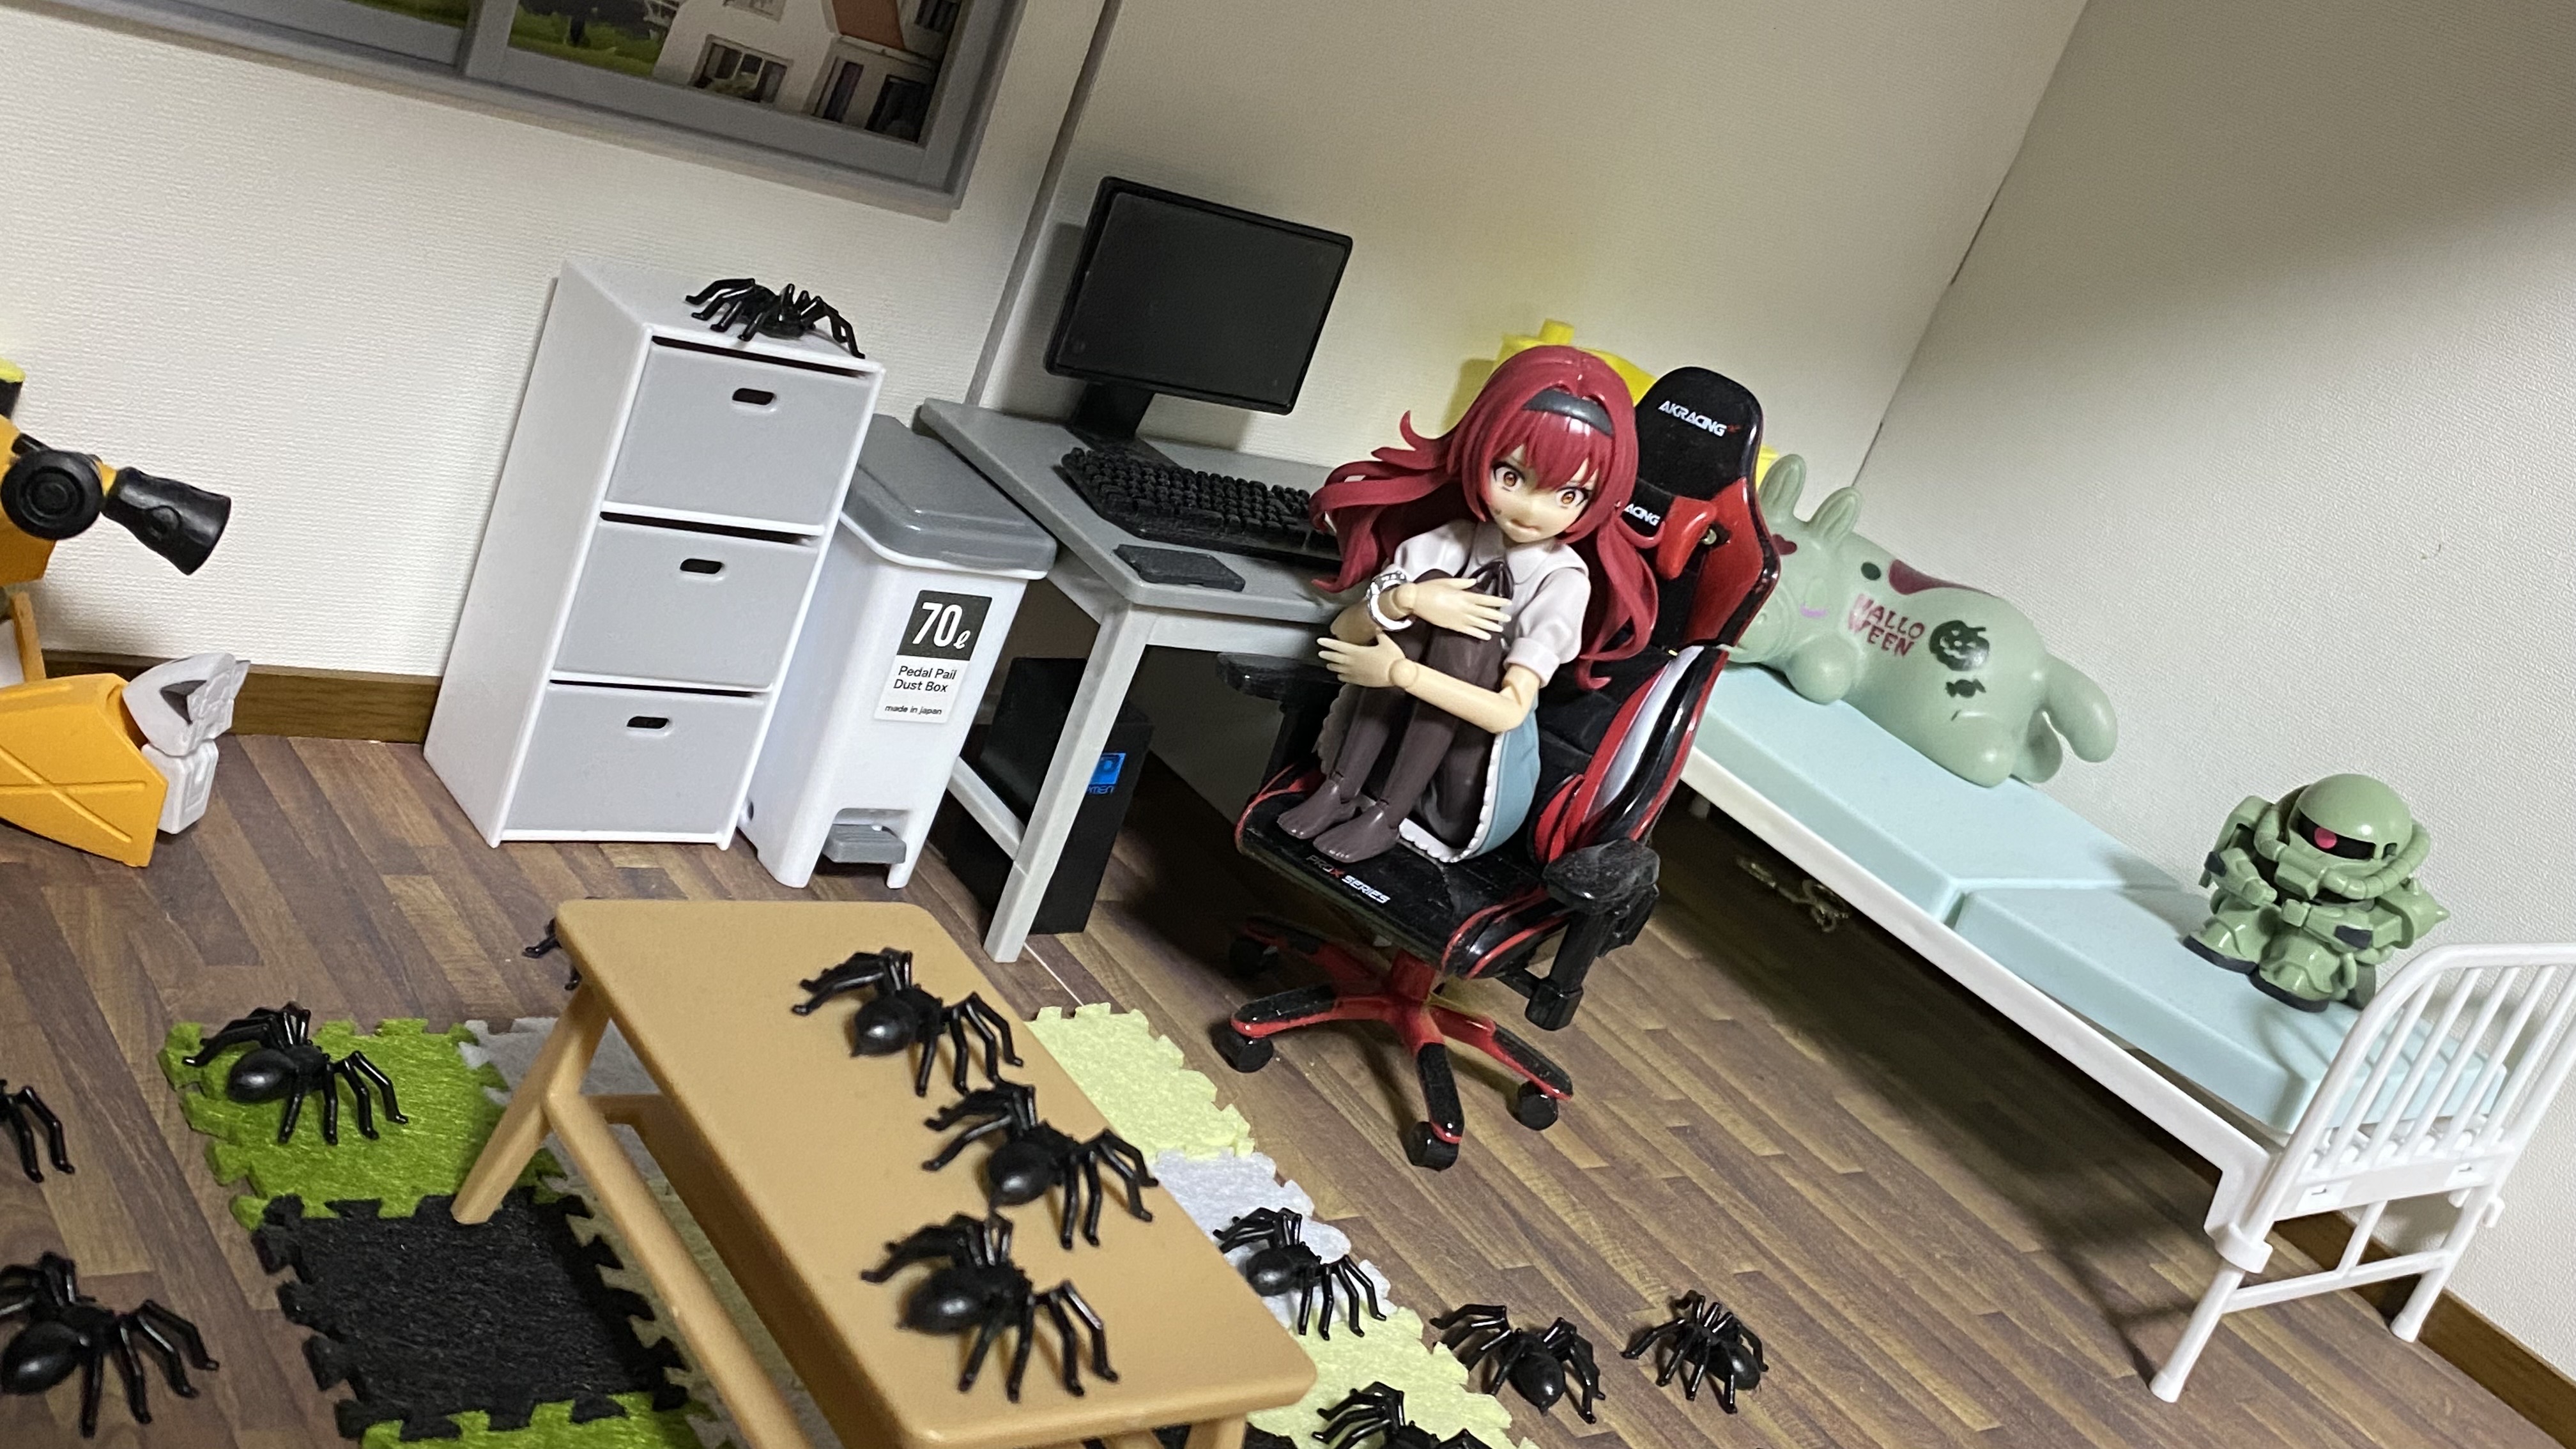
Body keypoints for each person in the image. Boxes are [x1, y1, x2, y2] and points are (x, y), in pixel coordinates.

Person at [1278, 346, 1655, 863]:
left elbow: (1507, 712)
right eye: (1512, 477)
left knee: (1470, 631)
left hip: (1461, 783)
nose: (1531, 509)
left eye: (1568, 495)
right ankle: (1340, 790)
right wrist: (1407, 599)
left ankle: (1387, 816)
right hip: (1381, 751)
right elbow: (1346, 633)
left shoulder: (1563, 581)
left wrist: (1402, 674)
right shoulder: (1451, 541)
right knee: (1429, 587)